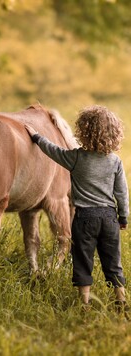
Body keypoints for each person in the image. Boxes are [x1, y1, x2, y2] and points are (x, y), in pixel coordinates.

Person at [25, 105, 129, 311]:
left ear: (83, 131)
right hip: (109, 218)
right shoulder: (115, 162)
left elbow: (52, 150)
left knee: (83, 260)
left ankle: (85, 303)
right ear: (115, 133)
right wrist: (123, 217)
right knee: (112, 260)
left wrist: (36, 137)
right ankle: (121, 299)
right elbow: (122, 193)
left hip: (84, 218)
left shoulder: (76, 158)